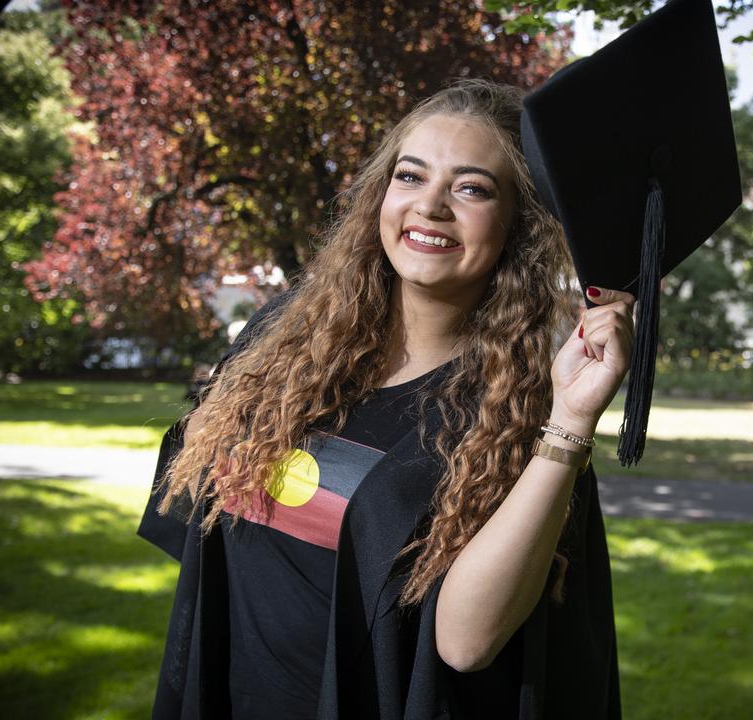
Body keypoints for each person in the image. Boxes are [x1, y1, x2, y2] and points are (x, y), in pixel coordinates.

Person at [139, 79, 628, 719]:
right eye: (410, 176)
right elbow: (197, 521)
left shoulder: (513, 414)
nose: (431, 206)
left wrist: (569, 423)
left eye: (472, 188)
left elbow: (465, 644)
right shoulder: (285, 340)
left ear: (517, 225)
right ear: (381, 194)